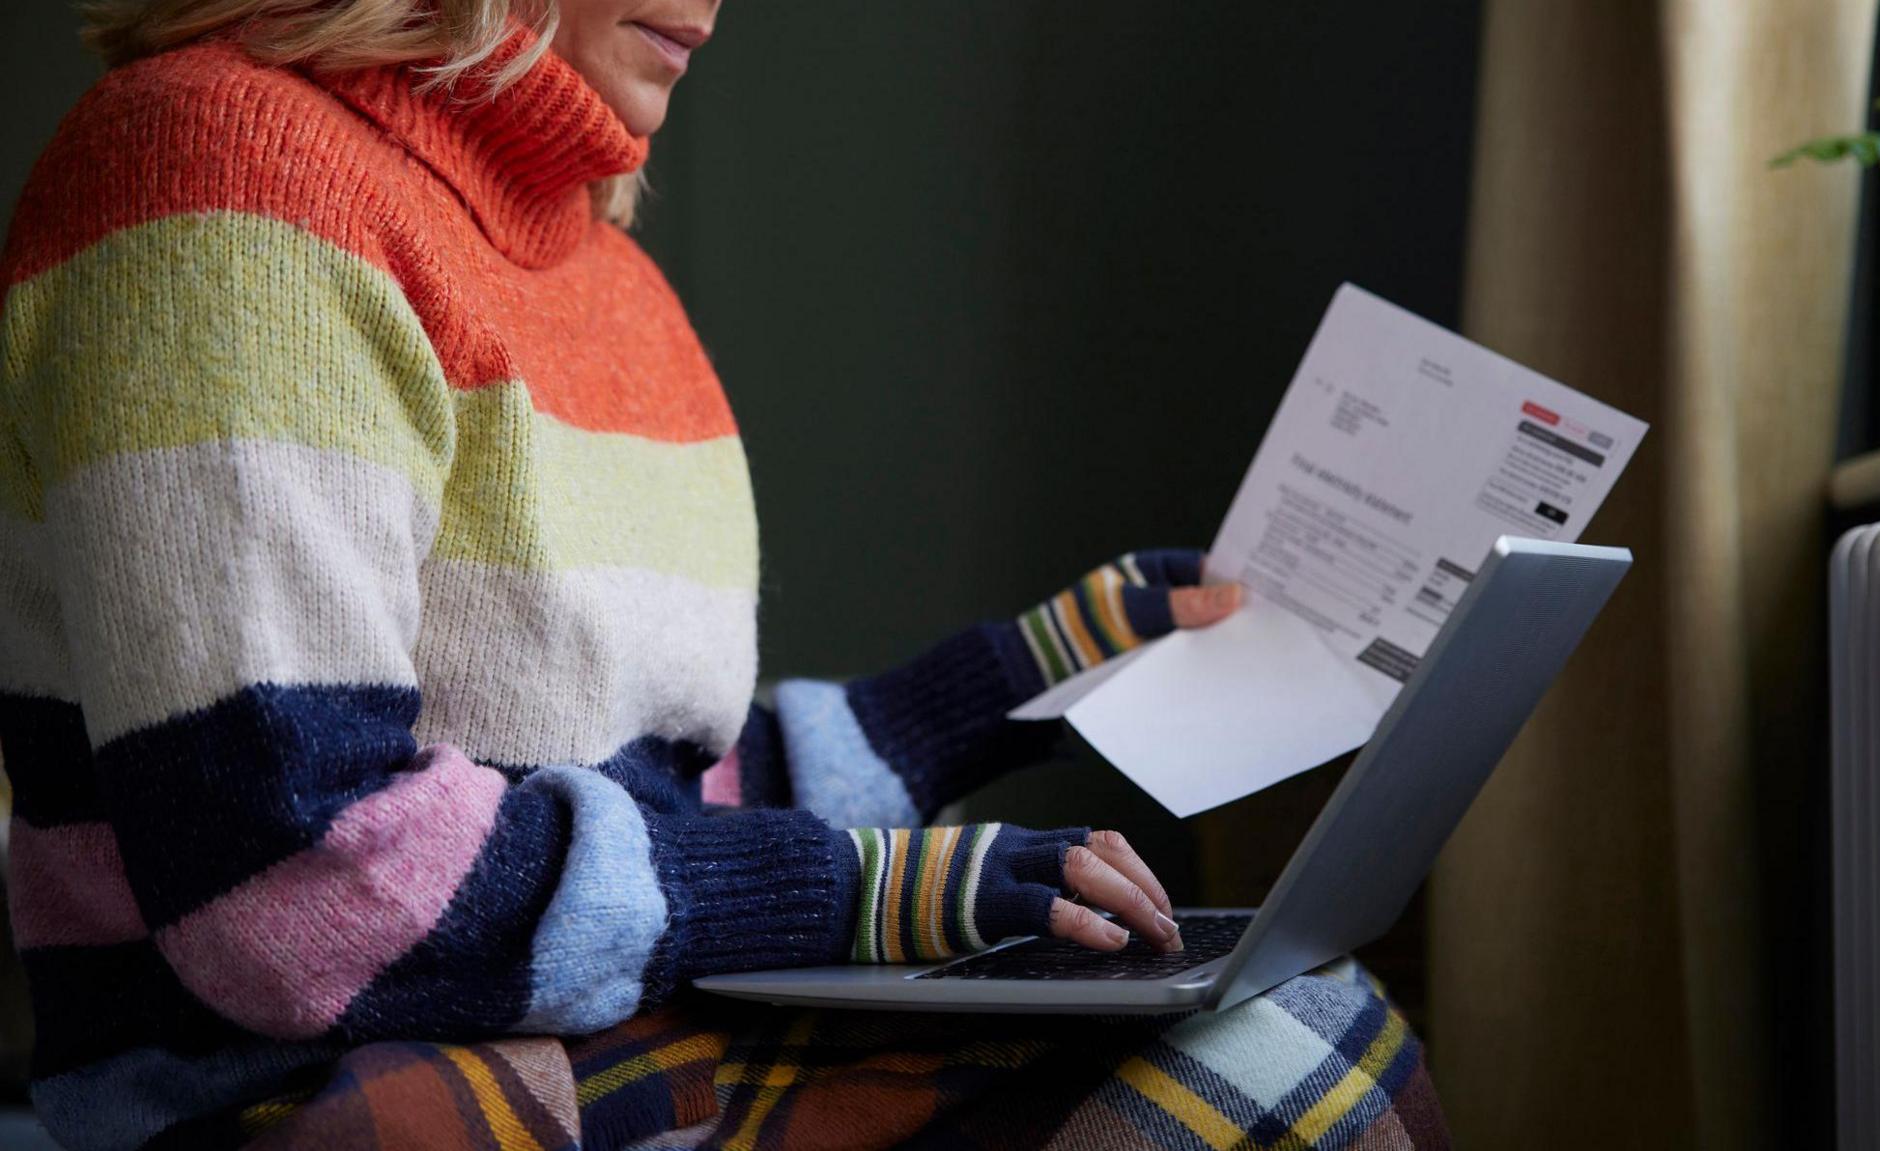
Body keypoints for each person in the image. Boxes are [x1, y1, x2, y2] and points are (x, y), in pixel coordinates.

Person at [0, 1, 1447, 1147]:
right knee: (1277, 1074)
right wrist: (877, 896)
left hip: (570, 1027)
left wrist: (1029, 673)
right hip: (297, 1088)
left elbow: (648, 808)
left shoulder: (612, 284)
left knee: (1316, 1016)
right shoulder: (216, 179)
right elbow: (304, 880)